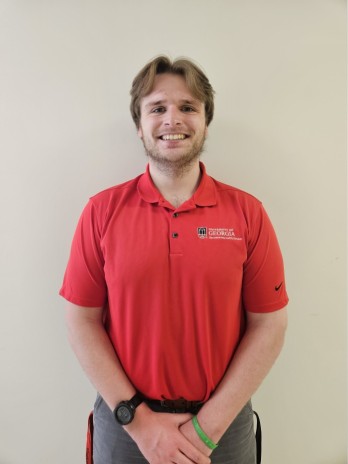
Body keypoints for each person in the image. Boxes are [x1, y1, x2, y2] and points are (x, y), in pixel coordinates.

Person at [60, 55, 289, 464]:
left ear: (205, 120)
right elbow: (81, 320)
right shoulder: (101, 211)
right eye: (158, 108)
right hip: (125, 424)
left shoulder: (247, 213)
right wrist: (141, 424)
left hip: (223, 427)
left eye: (188, 107)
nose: (173, 119)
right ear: (139, 123)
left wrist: (207, 429)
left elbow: (269, 325)